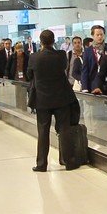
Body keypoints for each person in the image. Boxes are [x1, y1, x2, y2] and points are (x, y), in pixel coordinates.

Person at [26, 30, 75, 172]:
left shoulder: (34, 57)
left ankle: (42, 164)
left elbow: (29, 75)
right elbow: (63, 69)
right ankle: (69, 161)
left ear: (40, 41)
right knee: (64, 130)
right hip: (61, 98)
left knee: (43, 132)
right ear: (53, 41)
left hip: (42, 100)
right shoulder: (60, 55)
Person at [81, 24, 107, 94]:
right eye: (97, 35)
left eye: (101, 34)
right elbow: (85, 70)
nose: (100, 37)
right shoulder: (88, 51)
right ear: (93, 36)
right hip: (93, 85)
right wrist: (84, 88)